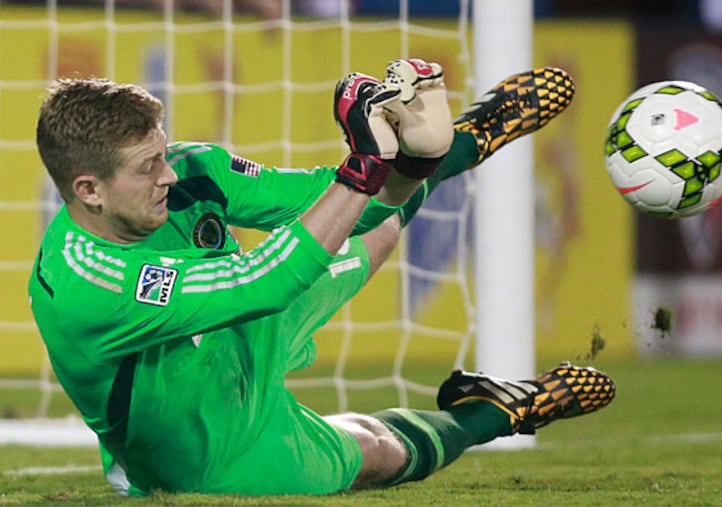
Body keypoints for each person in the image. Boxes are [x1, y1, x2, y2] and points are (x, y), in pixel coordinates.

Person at [29, 59, 615, 496]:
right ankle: (497, 413)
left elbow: (326, 201)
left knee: (368, 230)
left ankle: (467, 140)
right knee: (377, 453)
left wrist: (407, 160)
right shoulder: (88, 284)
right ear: (89, 190)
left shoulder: (190, 168)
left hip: (240, 328)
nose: (167, 174)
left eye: (160, 152)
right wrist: (362, 169)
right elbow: (261, 281)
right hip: (204, 447)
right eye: (147, 167)